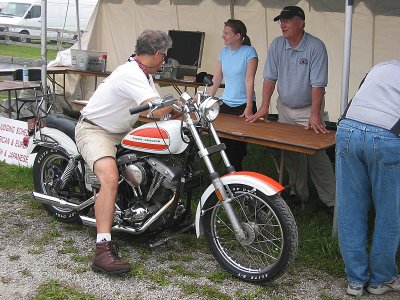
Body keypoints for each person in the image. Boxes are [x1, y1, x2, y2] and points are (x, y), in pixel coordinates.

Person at [75, 30, 173, 275]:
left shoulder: (143, 73)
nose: (165, 61)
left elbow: (156, 107)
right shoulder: (131, 73)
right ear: (158, 54)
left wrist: (182, 108)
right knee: (109, 178)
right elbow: (158, 109)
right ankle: (102, 248)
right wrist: (179, 105)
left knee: (153, 161)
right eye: (165, 56)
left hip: (120, 132)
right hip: (95, 130)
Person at [246, 6, 335, 210]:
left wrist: (315, 115)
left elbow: (318, 84)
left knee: (316, 154)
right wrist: (264, 107)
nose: (282, 24)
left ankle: (332, 201)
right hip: (285, 107)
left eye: (287, 20)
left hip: (308, 109)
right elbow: (269, 78)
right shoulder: (277, 44)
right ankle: (298, 193)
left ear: (301, 23)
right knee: (291, 153)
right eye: (280, 20)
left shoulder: (315, 47)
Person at [336, 60, 400, 296]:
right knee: (389, 211)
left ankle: (355, 280)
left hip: (347, 129)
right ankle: (381, 279)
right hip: (386, 135)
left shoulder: (381, 66)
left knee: (350, 208)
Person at [207, 19, 258, 171]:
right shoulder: (223, 52)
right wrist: (207, 100)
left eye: (226, 33)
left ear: (237, 36)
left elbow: (249, 80)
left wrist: (249, 107)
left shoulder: (249, 52)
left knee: (237, 151)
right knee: (224, 147)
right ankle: (227, 178)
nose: (223, 36)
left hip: (243, 106)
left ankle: (235, 180)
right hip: (225, 105)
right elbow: (216, 80)